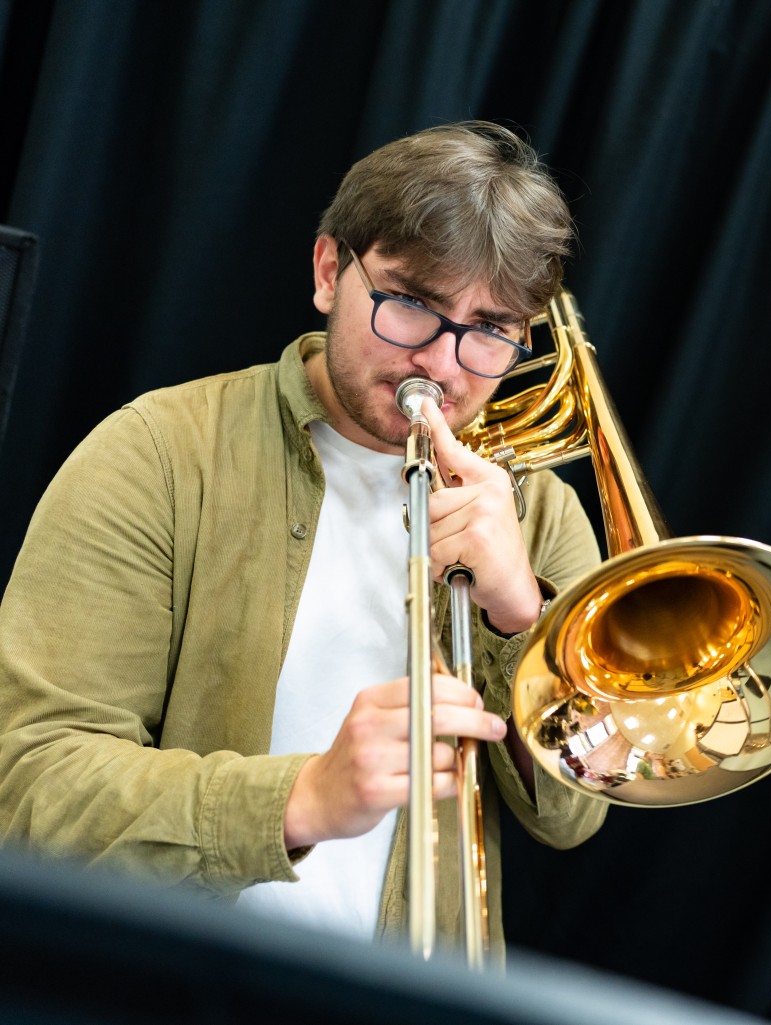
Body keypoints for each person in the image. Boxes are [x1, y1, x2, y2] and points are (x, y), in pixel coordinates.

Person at [0, 121, 607, 958]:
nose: (444, 360)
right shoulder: (159, 453)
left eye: (491, 328)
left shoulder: (536, 514)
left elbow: (574, 813)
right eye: (412, 304)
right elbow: (30, 786)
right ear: (330, 271)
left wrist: (519, 618)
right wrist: (300, 798)